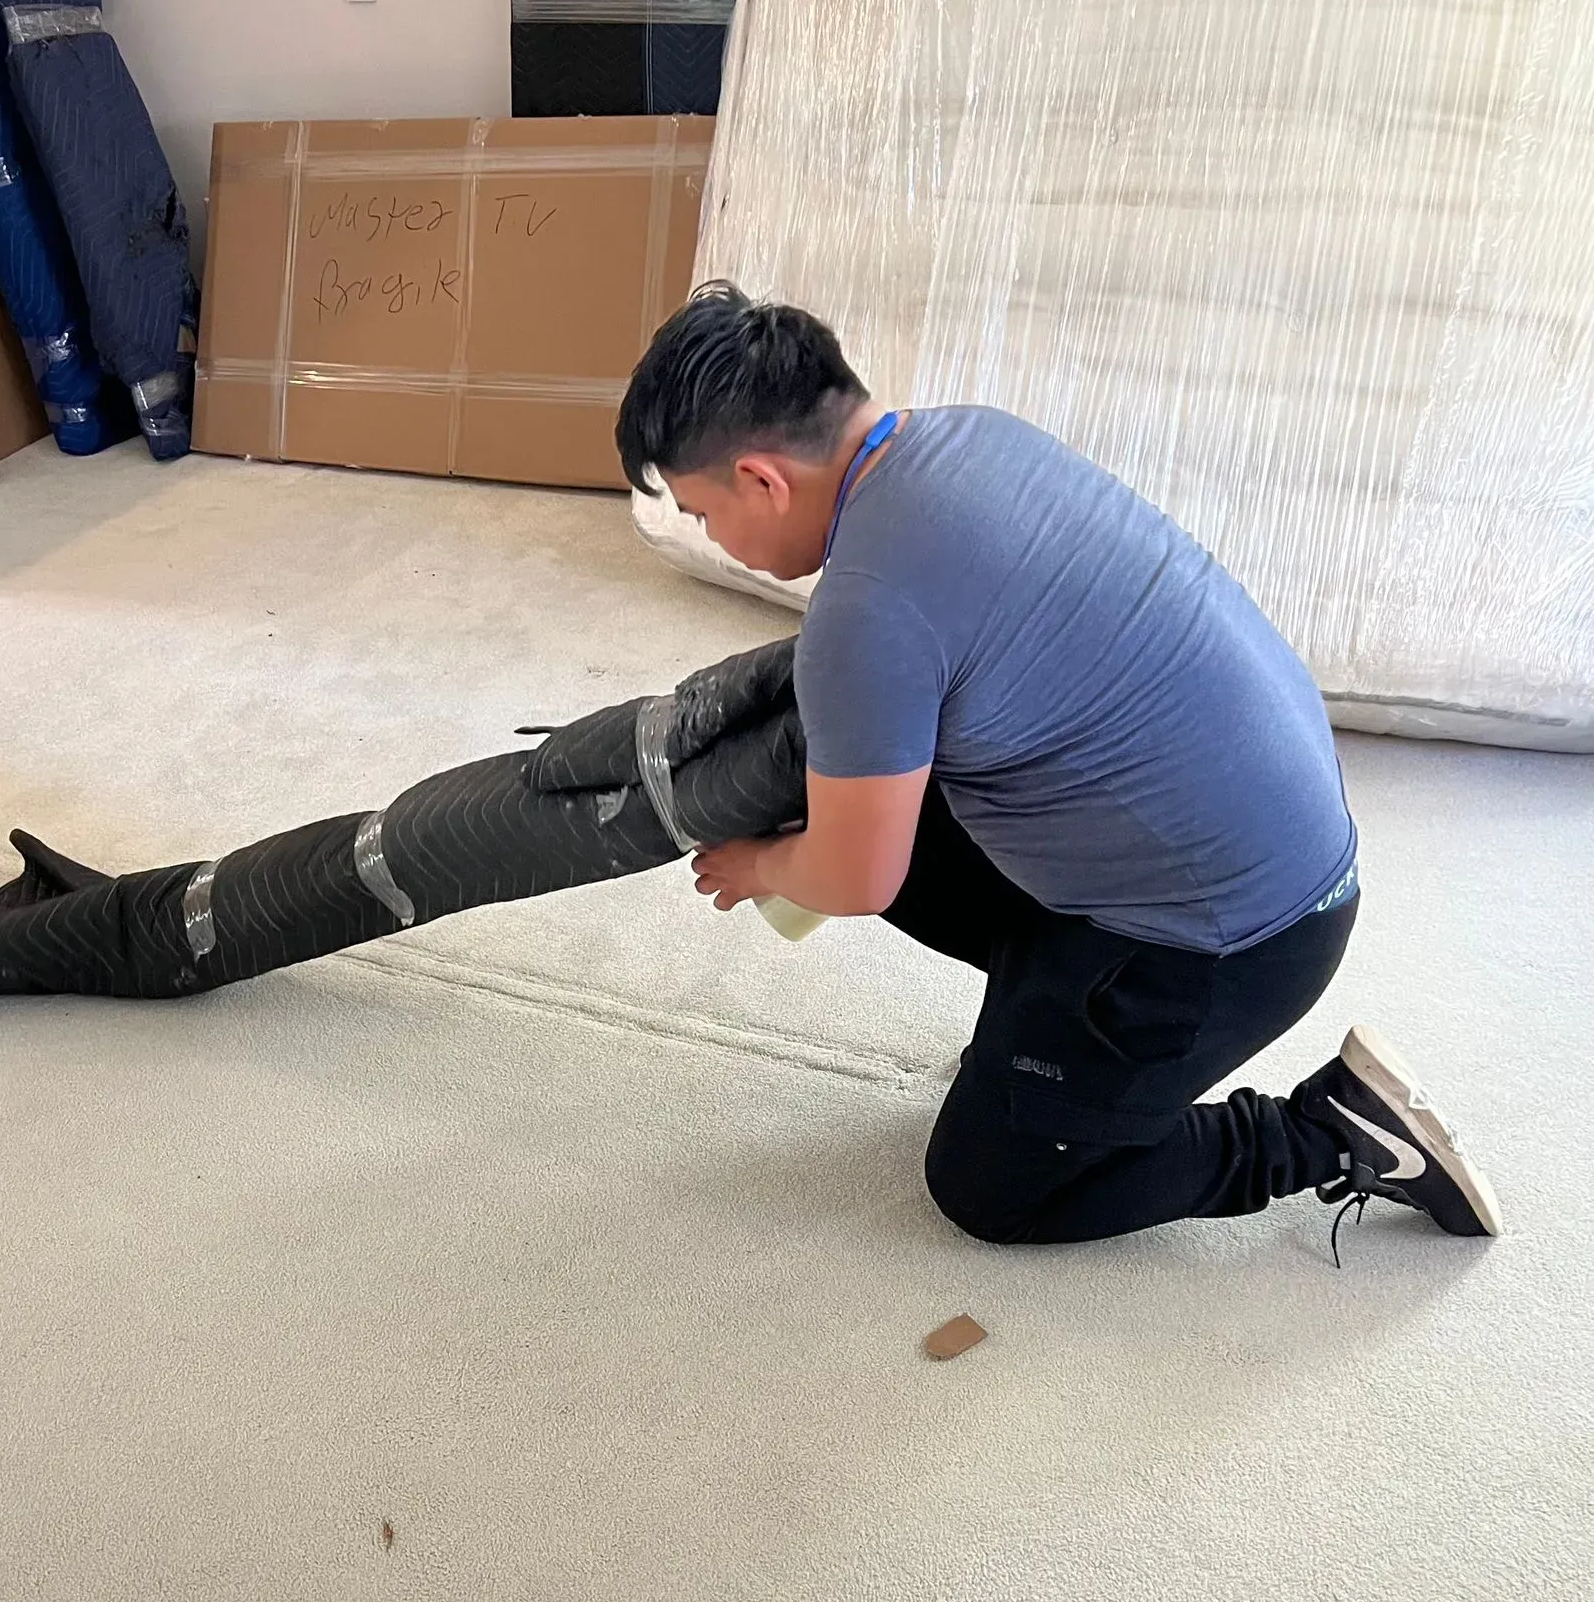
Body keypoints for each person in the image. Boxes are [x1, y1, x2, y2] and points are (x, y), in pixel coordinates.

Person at [617, 282, 1501, 1249]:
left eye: (701, 513)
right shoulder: (969, 437)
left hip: (1229, 945)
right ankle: (1051, 1059)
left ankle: (1331, 1133)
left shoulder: (866, 611)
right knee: (854, 789)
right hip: (1269, 853)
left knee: (988, 1188)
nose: (712, 539)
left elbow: (856, 880)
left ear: (761, 479)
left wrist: (760, 866)